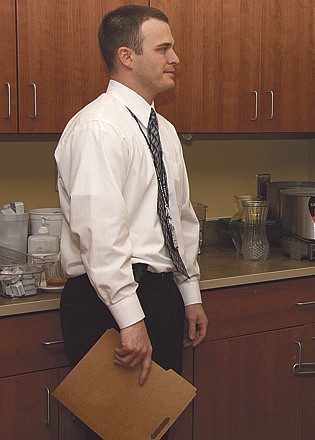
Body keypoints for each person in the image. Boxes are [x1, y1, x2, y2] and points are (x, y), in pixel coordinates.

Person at [55, 5, 208, 437]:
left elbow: (180, 218)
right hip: (107, 304)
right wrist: (129, 319)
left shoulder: (165, 130)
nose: (175, 58)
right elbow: (100, 234)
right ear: (127, 56)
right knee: (114, 431)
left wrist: (189, 292)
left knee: (156, 428)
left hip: (159, 296)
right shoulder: (97, 129)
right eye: (164, 48)